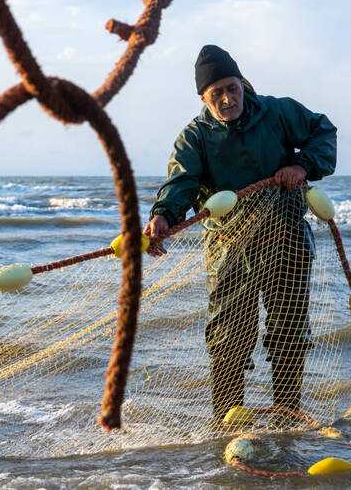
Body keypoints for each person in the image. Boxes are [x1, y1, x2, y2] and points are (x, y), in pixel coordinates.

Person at [144, 45, 337, 422]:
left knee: (289, 334)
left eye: (232, 88)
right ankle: (226, 423)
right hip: (229, 248)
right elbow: (180, 181)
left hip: (288, 239)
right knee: (229, 339)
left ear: (242, 83)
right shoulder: (195, 137)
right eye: (217, 93)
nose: (228, 99)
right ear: (203, 97)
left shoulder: (279, 111)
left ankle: (288, 418)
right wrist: (163, 215)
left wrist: (302, 164)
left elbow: (323, 131)